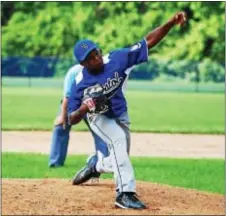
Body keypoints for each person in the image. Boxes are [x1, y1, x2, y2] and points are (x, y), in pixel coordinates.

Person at [67, 12, 187, 209]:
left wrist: (171, 23)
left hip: (120, 113)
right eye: (89, 58)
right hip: (98, 117)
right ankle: (124, 194)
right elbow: (71, 119)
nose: (95, 58)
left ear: (100, 50)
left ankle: (95, 166)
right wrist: (85, 106)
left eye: (96, 53)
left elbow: (148, 41)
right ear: (83, 64)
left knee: (119, 156)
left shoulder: (118, 59)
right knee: (118, 141)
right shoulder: (79, 83)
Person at [48, 64, 109, 168]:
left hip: (91, 106)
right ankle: (55, 162)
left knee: (100, 132)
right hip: (72, 105)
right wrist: (62, 118)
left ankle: (105, 162)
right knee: (60, 128)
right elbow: (67, 97)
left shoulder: (101, 71)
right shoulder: (74, 72)